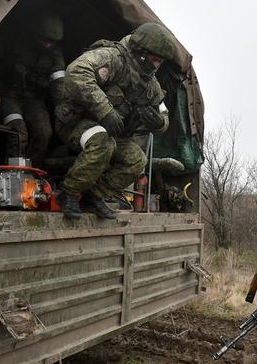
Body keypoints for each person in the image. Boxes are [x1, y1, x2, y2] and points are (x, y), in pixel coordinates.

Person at [54, 22, 176, 219]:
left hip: (111, 132)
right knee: (103, 142)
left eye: (159, 62)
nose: (156, 65)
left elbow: (163, 112)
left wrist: (159, 123)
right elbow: (77, 71)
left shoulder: (150, 83)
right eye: (154, 59)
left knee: (137, 160)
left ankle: (93, 197)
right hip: (76, 124)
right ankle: (68, 192)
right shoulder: (113, 57)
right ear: (140, 51)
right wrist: (105, 111)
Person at [0, 13, 66, 161]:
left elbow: (59, 84)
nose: (48, 44)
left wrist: (63, 108)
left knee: (44, 133)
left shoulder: (55, 54)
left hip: (34, 100)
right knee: (18, 132)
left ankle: (31, 170)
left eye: (52, 42)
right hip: (8, 96)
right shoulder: (11, 42)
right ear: (34, 32)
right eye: (44, 39)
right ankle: (12, 174)